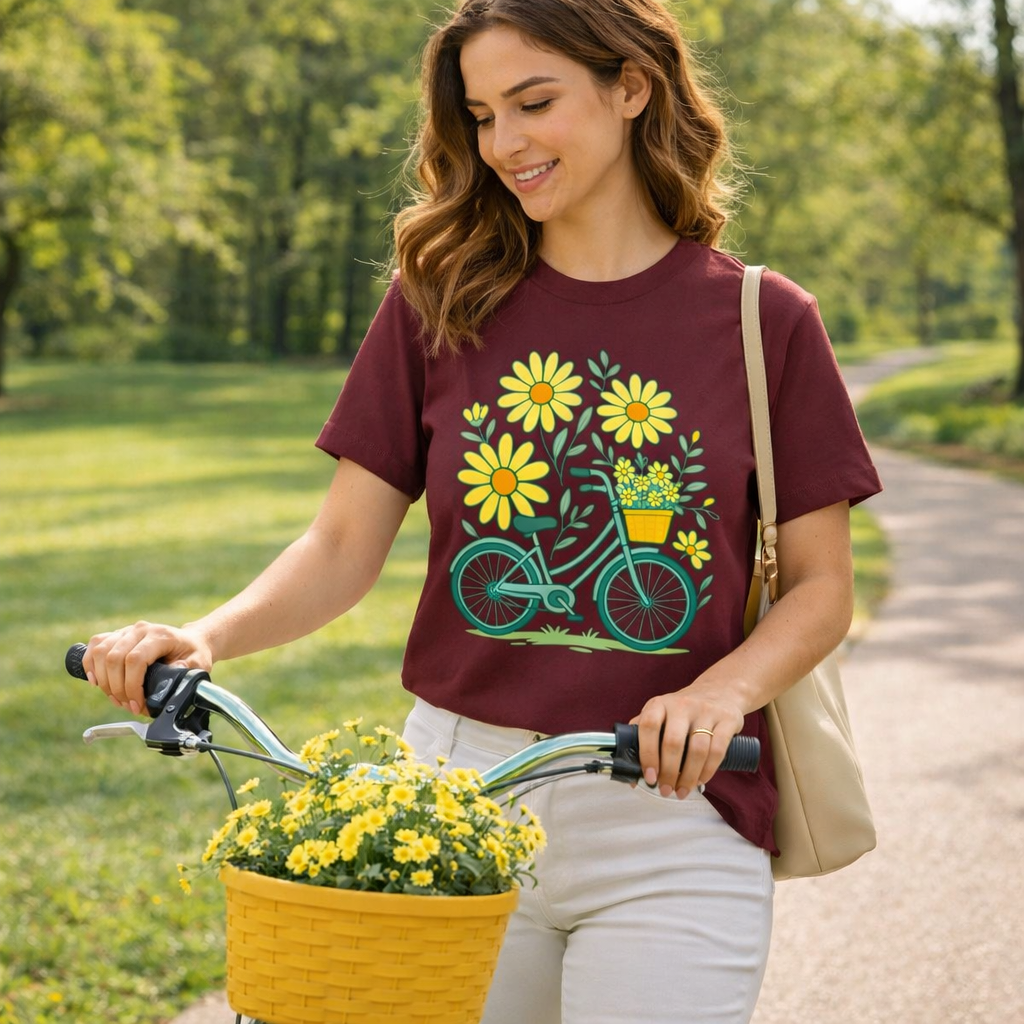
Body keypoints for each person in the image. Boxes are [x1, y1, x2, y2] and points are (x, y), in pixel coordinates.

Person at [84, 1, 882, 1021]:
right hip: (456, 802)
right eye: (481, 115)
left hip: (675, 815)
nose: (504, 143)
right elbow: (339, 545)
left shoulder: (763, 319)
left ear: (631, 87)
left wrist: (722, 692)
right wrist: (202, 636)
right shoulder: (439, 301)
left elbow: (821, 589)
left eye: (533, 102)